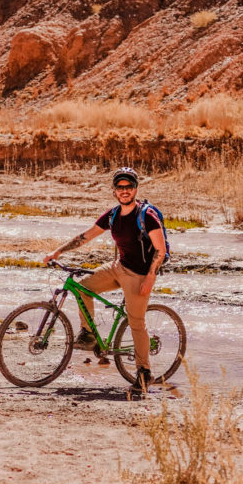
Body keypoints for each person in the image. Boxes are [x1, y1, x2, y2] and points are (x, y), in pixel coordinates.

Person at [44, 167, 166, 396]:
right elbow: (85, 236)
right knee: (83, 287)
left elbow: (161, 250)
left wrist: (150, 277)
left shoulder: (146, 216)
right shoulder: (112, 215)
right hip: (118, 267)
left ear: (135, 189)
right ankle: (89, 334)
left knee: (136, 321)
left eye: (129, 187)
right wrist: (57, 252)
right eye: (120, 187)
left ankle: (144, 373)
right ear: (114, 191)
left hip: (139, 274)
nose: (125, 191)